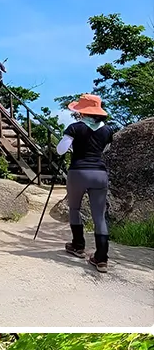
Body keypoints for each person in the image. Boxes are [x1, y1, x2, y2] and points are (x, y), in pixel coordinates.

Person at [56, 94, 115, 273]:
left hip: (78, 172)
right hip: (99, 173)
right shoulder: (108, 130)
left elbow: (60, 150)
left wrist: (74, 147)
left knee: (74, 209)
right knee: (99, 216)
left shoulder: (75, 128)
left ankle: (78, 245)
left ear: (82, 111)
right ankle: (101, 258)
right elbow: (105, 149)